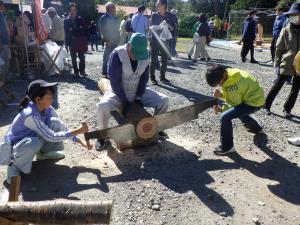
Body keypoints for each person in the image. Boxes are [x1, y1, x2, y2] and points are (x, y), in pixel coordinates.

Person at [0, 80, 89, 184]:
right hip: (12, 149)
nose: (52, 98)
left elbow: (62, 127)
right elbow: (51, 136)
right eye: (49, 96)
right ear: (38, 99)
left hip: (28, 139)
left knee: (54, 122)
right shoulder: (30, 114)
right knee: (33, 143)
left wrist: (79, 141)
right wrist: (78, 130)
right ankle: (13, 167)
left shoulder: (47, 108)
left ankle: (43, 153)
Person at [95, 33, 169, 150]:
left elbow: (144, 77)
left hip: (137, 89)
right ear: (129, 46)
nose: (137, 57)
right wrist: (125, 101)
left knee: (164, 100)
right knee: (102, 106)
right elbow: (114, 81)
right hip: (119, 91)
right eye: (135, 54)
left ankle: (157, 129)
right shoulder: (117, 54)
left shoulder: (146, 53)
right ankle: (102, 137)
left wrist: (139, 97)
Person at [205, 64, 265, 155]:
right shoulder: (230, 74)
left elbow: (235, 104)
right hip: (256, 98)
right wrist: (221, 94)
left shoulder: (232, 85)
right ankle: (256, 129)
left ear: (223, 75)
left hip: (254, 103)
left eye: (218, 83)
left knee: (225, 117)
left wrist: (221, 109)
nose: (219, 85)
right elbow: (234, 97)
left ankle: (227, 147)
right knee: (239, 112)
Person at [264, 2, 300, 118]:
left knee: (295, 89)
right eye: (292, 14)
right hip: (286, 63)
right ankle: (266, 105)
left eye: (296, 14)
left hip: (299, 66)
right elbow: (278, 49)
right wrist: (276, 64)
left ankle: (287, 109)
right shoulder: (285, 30)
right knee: (278, 85)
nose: (293, 16)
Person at [149, 0, 177, 84]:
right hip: (155, 40)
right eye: (156, 4)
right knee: (153, 60)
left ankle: (162, 77)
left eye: (157, 4)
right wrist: (154, 28)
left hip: (165, 41)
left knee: (164, 60)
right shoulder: (154, 15)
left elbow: (173, 29)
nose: (156, 5)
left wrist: (168, 25)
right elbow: (150, 27)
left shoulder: (171, 16)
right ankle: (152, 78)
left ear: (163, 5)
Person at [64, 3, 88, 76]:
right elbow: (67, 30)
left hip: (80, 40)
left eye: (74, 10)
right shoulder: (66, 20)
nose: (72, 12)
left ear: (76, 10)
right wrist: (77, 28)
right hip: (71, 41)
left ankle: (82, 71)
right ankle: (76, 71)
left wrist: (73, 29)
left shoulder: (80, 19)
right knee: (73, 58)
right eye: (71, 10)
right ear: (69, 11)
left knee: (82, 57)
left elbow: (84, 29)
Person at [99, 2, 120, 78]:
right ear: (110, 8)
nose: (115, 9)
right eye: (114, 7)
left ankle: (111, 72)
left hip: (115, 41)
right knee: (106, 57)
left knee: (114, 57)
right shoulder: (104, 18)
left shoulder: (115, 17)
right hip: (109, 41)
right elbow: (103, 30)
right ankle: (104, 73)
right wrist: (107, 40)